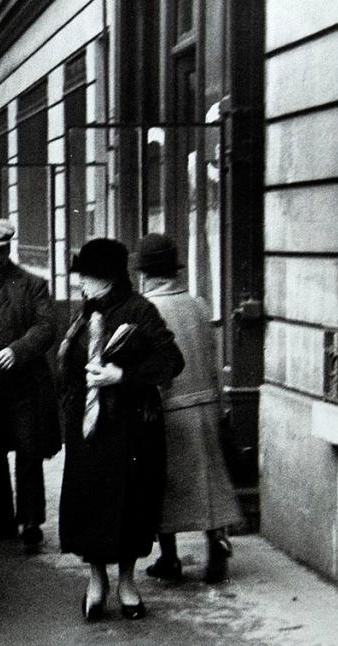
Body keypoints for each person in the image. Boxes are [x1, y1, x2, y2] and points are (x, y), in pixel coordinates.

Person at [58, 237, 184, 621]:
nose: (80, 282)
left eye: (86, 276)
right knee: (90, 505)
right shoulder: (84, 314)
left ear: (108, 279)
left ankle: (127, 583)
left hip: (131, 430)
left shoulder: (141, 311)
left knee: (130, 506)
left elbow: (172, 361)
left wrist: (123, 375)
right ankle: (96, 582)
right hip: (90, 430)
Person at [135, 233, 240, 584]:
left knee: (165, 487)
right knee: (209, 484)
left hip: (167, 411)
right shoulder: (199, 305)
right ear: (173, 271)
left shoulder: (144, 310)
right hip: (206, 403)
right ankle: (216, 548)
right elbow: (213, 359)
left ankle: (170, 558)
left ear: (145, 274)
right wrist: (220, 404)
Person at [0, 217, 61, 552]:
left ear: (8, 249)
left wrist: (18, 350)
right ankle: (2, 519)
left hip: (24, 387)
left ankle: (31, 522)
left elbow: (47, 326)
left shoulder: (32, 284)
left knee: (28, 453)